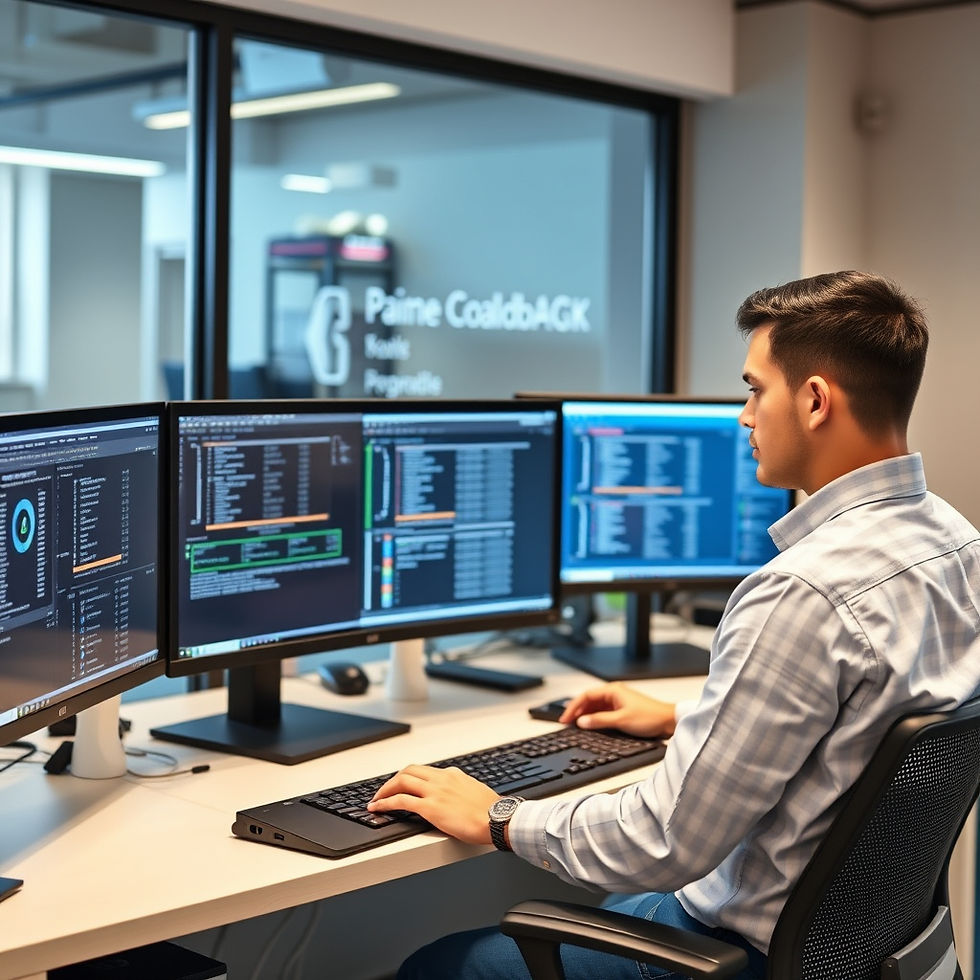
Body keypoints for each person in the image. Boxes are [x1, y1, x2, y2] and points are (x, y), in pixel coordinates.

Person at [368, 270, 980, 980]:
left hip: (742, 954)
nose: (745, 416)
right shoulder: (957, 544)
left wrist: (498, 816)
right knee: (615, 895)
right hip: (851, 954)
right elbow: (876, 714)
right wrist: (684, 717)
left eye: (755, 389)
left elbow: (667, 841)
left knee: (439, 966)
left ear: (815, 400)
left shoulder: (800, 591)